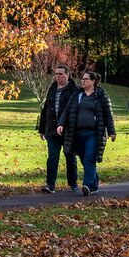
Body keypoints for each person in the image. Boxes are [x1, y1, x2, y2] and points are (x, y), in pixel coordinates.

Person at [56, 71, 116, 196]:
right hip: (77, 133)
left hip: (94, 134)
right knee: (84, 159)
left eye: (86, 79)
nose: (82, 81)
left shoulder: (101, 96)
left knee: (89, 158)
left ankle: (87, 185)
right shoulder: (77, 95)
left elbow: (108, 115)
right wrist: (61, 124)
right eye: (82, 79)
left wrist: (112, 132)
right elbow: (67, 110)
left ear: (93, 81)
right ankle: (94, 184)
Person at [36, 64, 79, 193]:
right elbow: (46, 109)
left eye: (61, 74)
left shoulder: (74, 90)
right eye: (56, 74)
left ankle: (73, 184)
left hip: (68, 131)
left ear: (67, 75)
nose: (58, 76)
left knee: (70, 157)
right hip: (51, 130)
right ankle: (50, 185)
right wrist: (42, 128)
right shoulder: (52, 89)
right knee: (52, 157)